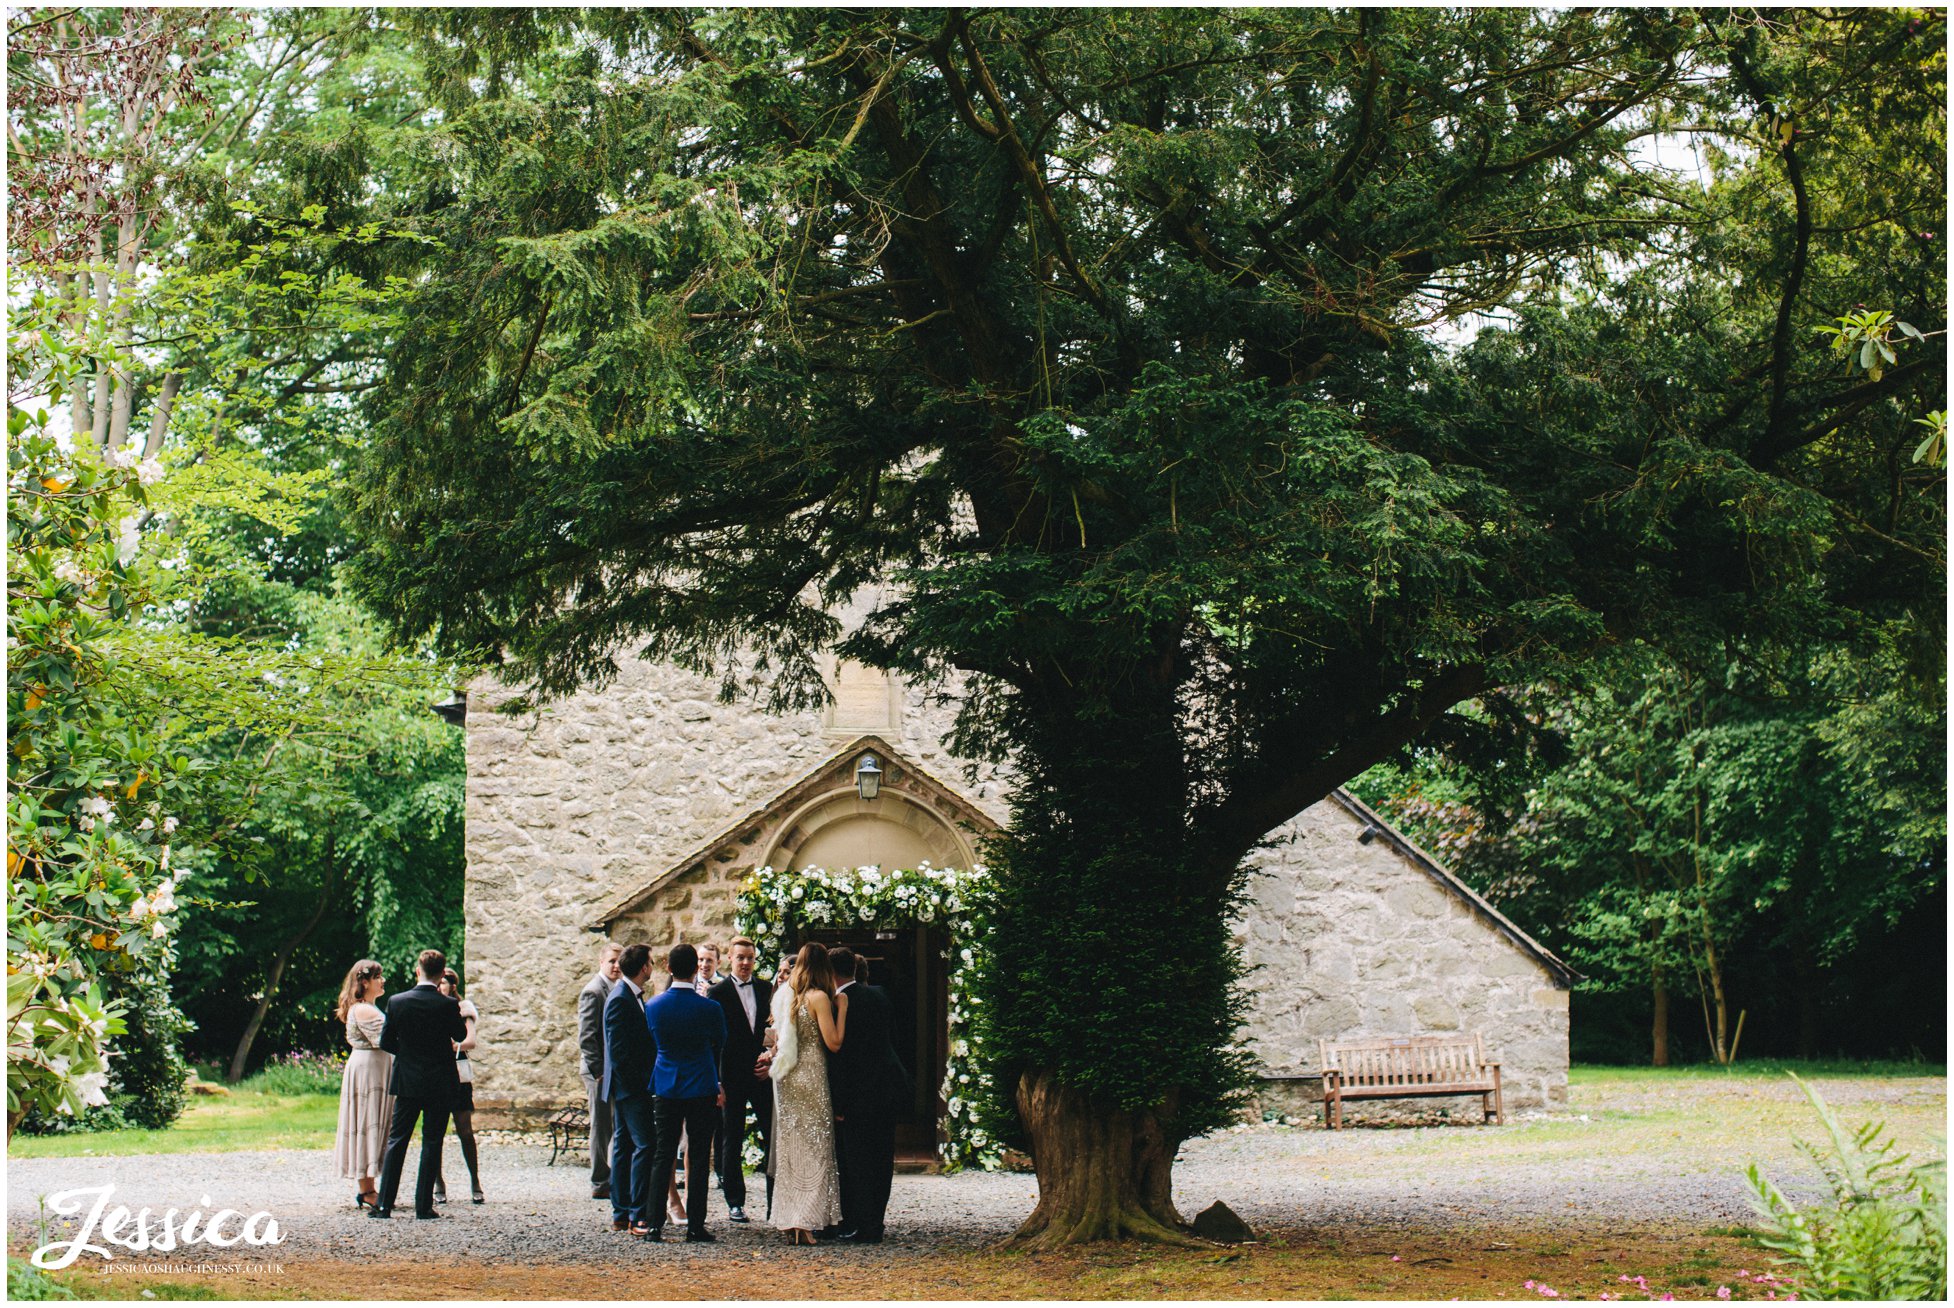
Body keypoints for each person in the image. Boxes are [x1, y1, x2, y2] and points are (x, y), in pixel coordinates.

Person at [372, 949, 468, 1220]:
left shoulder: (398, 1001)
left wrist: (408, 1052)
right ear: (441, 975)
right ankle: (423, 1205)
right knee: (432, 1140)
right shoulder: (447, 1005)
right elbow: (460, 1034)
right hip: (440, 1080)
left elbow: (386, 1041)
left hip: (408, 1079)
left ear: (418, 971)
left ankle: (384, 1204)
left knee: (397, 1140)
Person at [643, 943, 727, 1242]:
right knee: (700, 1154)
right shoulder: (710, 1008)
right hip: (701, 1083)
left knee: (663, 1152)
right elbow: (719, 1042)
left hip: (666, 1082)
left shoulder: (653, 1006)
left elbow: (652, 1042)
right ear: (695, 969)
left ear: (669, 968)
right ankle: (695, 1225)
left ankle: (654, 1224)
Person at [763, 942, 845, 1245]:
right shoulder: (819, 997)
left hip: (789, 1078)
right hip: (811, 1074)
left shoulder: (788, 997)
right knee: (816, 1147)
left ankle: (791, 1220)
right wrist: (843, 1010)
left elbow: (778, 1041)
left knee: (792, 1149)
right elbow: (833, 1042)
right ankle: (806, 1220)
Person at [827, 947, 908, 1244]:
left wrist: (839, 1101)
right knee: (882, 1160)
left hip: (858, 1094)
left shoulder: (839, 1003)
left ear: (832, 973)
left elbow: (843, 1058)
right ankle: (876, 1222)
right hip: (886, 1089)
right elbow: (893, 1041)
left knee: (858, 1161)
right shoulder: (880, 995)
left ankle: (861, 1225)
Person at [708, 937, 773, 1224]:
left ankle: (776, 1202)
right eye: (740, 958)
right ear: (730, 960)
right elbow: (713, 1042)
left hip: (761, 1074)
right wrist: (716, 1081)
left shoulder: (765, 989)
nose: (745, 963)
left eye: (750, 958)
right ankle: (735, 1201)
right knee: (730, 1138)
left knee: (772, 1136)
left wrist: (769, 1059)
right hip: (731, 1076)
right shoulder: (716, 992)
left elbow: (775, 1031)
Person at [603, 942, 659, 1236]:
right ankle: (638, 1215)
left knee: (624, 1148)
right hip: (629, 1089)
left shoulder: (631, 996)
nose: (653, 966)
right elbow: (619, 1052)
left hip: (630, 1087)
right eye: (651, 962)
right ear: (643, 968)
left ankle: (621, 1213)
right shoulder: (620, 999)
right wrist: (640, 1086)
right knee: (645, 1145)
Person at [333, 959, 392, 1210]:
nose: (383, 981)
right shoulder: (365, 1010)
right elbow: (386, 1039)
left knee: (371, 1123)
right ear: (365, 982)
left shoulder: (367, 1007)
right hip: (369, 1072)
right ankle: (367, 1190)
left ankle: (368, 1186)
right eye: (378, 977)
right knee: (367, 1123)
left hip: (373, 1068)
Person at [433, 968, 483, 1205]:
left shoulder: (463, 1009)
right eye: (438, 982)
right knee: (435, 1132)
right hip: (436, 1072)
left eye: (444, 983)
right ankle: (438, 1182)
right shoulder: (430, 1006)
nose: (440, 986)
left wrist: (448, 1046)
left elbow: (469, 1041)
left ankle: (475, 1180)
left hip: (459, 1072)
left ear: (452, 985)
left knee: (465, 1129)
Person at [578, 941, 624, 1200]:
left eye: (619, 961)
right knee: (601, 1125)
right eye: (611, 962)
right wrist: (598, 1072)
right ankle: (599, 1180)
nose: (616, 966)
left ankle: (614, 1176)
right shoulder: (593, 992)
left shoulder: (617, 988)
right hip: (598, 1072)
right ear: (601, 962)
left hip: (613, 1069)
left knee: (616, 1124)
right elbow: (587, 1037)